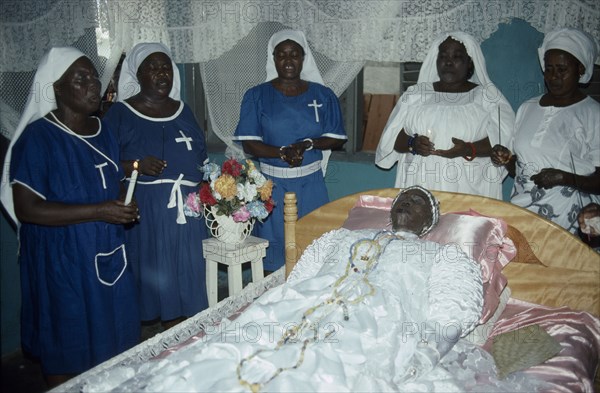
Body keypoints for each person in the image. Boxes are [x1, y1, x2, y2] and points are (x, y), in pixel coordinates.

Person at [79, 186, 544, 391]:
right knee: (232, 349)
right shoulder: (340, 236)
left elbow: (454, 310)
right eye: (401, 199)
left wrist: (424, 349)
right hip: (300, 309)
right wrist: (272, 309)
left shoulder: (443, 255)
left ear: (431, 223)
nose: (406, 204)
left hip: (376, 320)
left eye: (418, 203)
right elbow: (294, 282)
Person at [0, 47, 140, 387]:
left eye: (93, 77)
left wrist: (121, 203)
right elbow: (28, 209)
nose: (93, 85)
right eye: (81, 79)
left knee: (112, 335)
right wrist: (100, 210)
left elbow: (105, 181)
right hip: (61, 257)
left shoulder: (103, 130)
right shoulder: (38, 139)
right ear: (56, 89)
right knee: (67, 339)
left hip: (106, 250)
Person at [103, 43, 209, 330]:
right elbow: (101, 165)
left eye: (166, 67)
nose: (161, 73)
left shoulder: (184, 110)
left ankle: (188, 336)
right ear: (138, 74)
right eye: (152, 67)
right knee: (156, 279)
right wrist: (136, 165)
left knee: (190, 276)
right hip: (148, 213)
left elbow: (201, 157)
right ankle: (167, 338)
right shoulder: (120, 114)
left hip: (188, 212)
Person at [233, 30, 348, 272]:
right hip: (272, 186)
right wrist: (282, 153)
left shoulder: (323, 95)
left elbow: (335, 138)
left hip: (311, 184)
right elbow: (249, 144)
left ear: (303, 58)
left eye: (294, 54)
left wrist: (307, 144)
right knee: (274, 253)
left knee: (314, 248)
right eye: (281, 54)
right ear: (272, 58)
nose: (288, 60)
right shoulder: (256, 96)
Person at [376, 32, 515, 200]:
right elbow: (395, 141)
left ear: (470, 62)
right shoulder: (416, 95)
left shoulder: (487, 97)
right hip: (421, 184)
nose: (448, 62)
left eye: (457, 57)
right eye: (443, 56)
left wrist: (468, 148)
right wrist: (413, 143)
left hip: (468, 189)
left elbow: (503, 143)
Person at [491, 28, 600, 234]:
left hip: (573, 217)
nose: (553, 77)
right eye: (549, 69)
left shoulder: (593, 113)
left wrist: (564, 178)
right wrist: (507, 160)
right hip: (524, 211)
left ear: (580, 69)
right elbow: (521, 170)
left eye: (562, 69)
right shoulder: (527, 107)